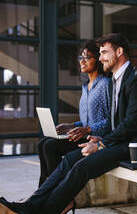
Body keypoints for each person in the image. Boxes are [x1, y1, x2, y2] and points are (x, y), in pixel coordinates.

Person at [0, 33, 137, 214]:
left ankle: (43, 211)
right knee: (70, 161)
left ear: (119, 52)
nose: (101, 57)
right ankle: (29, 205)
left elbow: (131, 124)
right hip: (122, 142)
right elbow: (116, 122)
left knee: (81, 167)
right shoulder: (117, 80)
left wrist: (102, 143)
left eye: (104, 52)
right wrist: (96, 138)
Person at [37, 39, 111, 186]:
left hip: (96, 139)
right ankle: (44, 189)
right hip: (84, 134)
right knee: (43, 143)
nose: (82, 61)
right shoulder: (86, 87)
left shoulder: (106, 85)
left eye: (87, 57)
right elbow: (87, 121)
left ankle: (54, 190)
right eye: (80, 57)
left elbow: (112, 120)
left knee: (50, 146)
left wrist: (86, 129)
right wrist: (71, 125)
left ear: (98, 60)